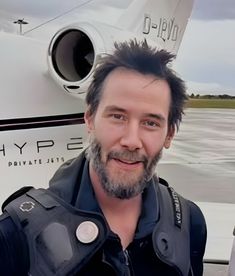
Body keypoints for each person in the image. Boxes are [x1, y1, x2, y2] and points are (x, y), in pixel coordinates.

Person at [0, 40, 207, 276]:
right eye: (117, 116)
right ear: (89, 119)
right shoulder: (15, 234)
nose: (131, 140)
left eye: (150, 123)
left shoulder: (190, 224)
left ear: (168, 135)